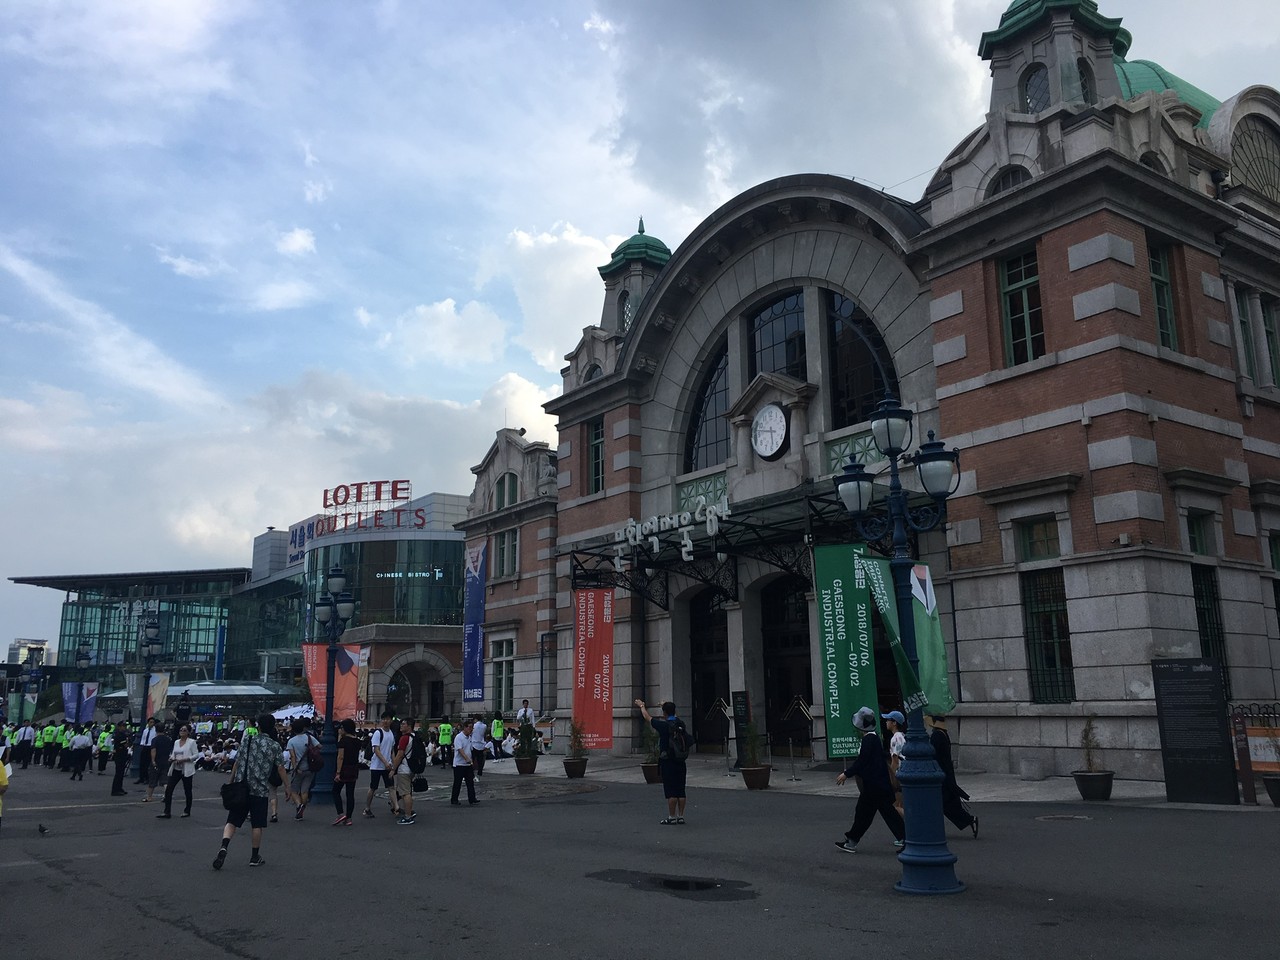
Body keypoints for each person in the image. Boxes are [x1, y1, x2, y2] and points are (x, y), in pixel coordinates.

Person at [213, 714, 293, 870]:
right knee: (257, 824)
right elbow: (281, 768)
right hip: (260, 789)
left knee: (232, 820)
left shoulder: (248, 740)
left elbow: (237, 762)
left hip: (241, 787)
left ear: (259, 726)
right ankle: (254, 856)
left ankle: (224, 846)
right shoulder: (274, 745)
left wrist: (231, 780)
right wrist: (287, 786)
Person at [835, 706, 905, 854]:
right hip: (878, 784)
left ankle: (852, 841)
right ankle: (852, 841)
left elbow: (862, 761)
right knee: (883, 814)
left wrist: (846, 774)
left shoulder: (869, 739)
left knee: (866, 814)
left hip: (873, 785)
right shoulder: (874, 738)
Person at [634, 699, 689, 825]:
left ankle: (671, 817)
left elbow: (647, 717)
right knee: (681, 789)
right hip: (681, 760)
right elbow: (674, 715)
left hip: (668, 761)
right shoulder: (681, 724)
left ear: (664, 713)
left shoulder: (663, 726)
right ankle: (681, 816)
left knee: (671, 790)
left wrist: (642, 706)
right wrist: (665, 706)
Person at [927, 714, 978, 838]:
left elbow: (933, 754)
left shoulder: (936, 735)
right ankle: (968, 820)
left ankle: (969, 820)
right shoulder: (943, 734)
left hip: (940, 774)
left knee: (943, 803)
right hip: (945, 773)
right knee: (946, 803)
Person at [159, 724, 199, 818]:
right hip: (176, 768)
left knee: (187, 790)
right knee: (169, 789)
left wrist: (186, 759)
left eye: (184, 730)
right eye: (181, 730)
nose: (182, 731)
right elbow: (174, 753)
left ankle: (187, 810)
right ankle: (167, 812)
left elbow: (196, 755)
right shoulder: (176, 742)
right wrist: (171, 758)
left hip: (186, 769)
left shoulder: (191, 742)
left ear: (188, 732)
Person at [364, 713, 399, 818]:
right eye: (383, 719)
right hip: (376, 766)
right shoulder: (378, 733)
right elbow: (376, 750)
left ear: (391, 720)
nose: (385, 721)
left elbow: (392, 751)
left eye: (387, 719)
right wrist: (386, 762)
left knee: (391, 787)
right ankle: (367, 808)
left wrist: (393, 764)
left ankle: (396, 807)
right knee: (373, 788)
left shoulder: (391, 734)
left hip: (387, 765)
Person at [285, 718, 318, 820]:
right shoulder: (309, 737)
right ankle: (302, 808)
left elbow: (293, 756)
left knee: (294, 790)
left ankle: (299, 805)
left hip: (299, 769)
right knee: (304, 790)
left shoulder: (291, 741)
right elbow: (320, 746)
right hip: (310, 768)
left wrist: (295, 767)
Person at [332, 718, 362, 825]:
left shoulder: (343, 741)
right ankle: (349, 818)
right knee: (350, 794)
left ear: (344, 728)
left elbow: (340, 757)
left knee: (335, 791)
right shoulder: (357, 741)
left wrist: (338, 772)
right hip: (353, 768)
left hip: (344, 768)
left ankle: (340, 813)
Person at [390, 719, 416, 825]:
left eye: (404, 724)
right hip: (412, 767)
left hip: (404, 768)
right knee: (408, 792)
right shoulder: (414, 737)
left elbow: (400, 754)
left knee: (405, 793)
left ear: (409, 726)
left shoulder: (404, 738)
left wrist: (393, 769)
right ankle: (409, 812)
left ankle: (408, 816)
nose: (401, 726)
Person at [450, 718, 479, 806]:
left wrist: (471, 759)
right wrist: (466, 758)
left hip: (467, 764)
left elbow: (470, 749)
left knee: (470, 782)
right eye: (469, 727)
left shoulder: (469, 737)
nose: (471, 729)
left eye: (472, 727)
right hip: (459, 764)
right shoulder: (459, 737)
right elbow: (460, 750)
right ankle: (454, 799)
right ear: (465, 728)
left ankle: (472, 798)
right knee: (457, 782)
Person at [882, 710, 906, 814]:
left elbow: (895, 760)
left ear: (894, 723)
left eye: (888, 720)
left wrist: (890, 777)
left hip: (900, 773)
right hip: (905, 771)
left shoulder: (896, 737)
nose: (886, 722)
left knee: (897, 805)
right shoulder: (902, 735)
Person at [144, 724, 173, 803]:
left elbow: (153, 750)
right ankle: (167, 796)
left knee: (152, 780)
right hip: (165, 761)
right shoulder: (168, 739)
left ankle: (149, 797)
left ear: (156, 730)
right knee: (165, 780)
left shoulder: (155, 740)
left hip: (157, 761)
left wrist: (153, 760)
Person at [136, 717, 158, 784]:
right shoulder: (145, 730)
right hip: (145, 746)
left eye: (153, 722)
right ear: (148, 723)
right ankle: (141, 778)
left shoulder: (155, 731)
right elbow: (143, 738)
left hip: (151, 747)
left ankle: (147, 778)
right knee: (142, 763)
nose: (152, 724)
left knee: (147, 764)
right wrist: (142, 745)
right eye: (150, 722)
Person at [110, 730, 131, 796]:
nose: (124, 728)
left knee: (120, 773)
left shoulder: (118, 735)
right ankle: (116, 790)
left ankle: (119, 788)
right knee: (119, 773)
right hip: (120, 755)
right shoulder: (120, 736)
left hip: (120, 755)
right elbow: (125, 745)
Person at [471, 714, 488, 779]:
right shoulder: (484, 726)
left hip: (474, 744)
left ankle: (471, 772)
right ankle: (479, 773)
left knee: (472, 759)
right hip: (481, 744)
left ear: (475, 719)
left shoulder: (474, 726)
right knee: (480, 760)